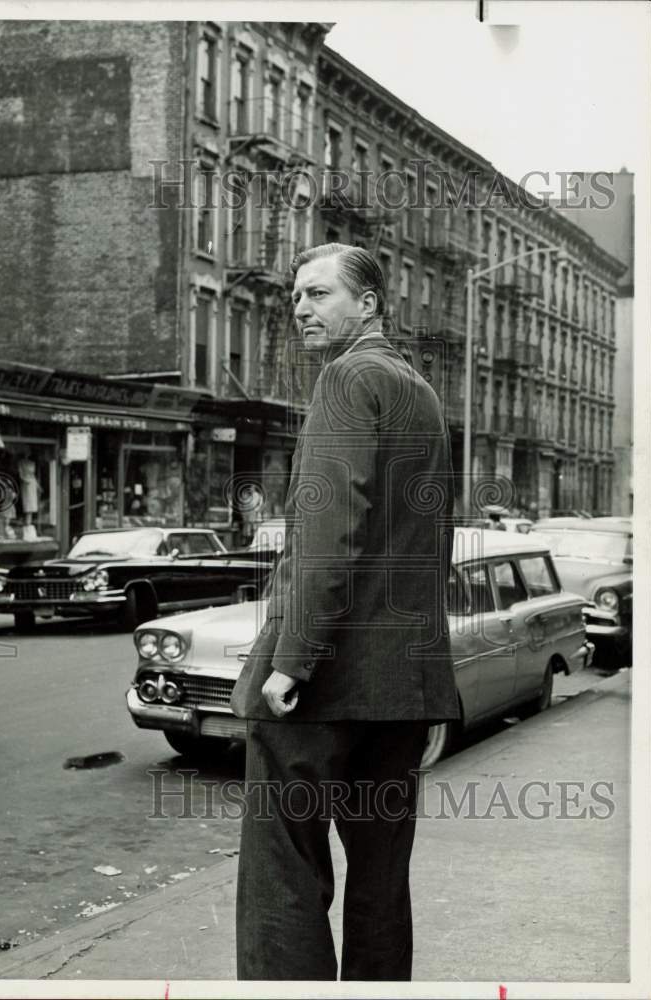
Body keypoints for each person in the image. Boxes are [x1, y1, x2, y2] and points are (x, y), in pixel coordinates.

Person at [230, 244, 460, 982]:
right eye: (296, 295)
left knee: (283, 878)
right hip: (399, 689)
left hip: (324, 683)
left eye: (320, 293)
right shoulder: (416, 391)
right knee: (381, 887)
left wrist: (292, 660)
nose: (300, 307)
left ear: (369, 304)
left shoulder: (346, 378)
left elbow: (332, 534)